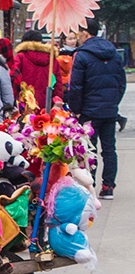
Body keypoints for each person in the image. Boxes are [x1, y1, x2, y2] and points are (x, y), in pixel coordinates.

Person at [66, 17, 127, 198]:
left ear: (85, 33)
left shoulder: (82, 55)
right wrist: (113, 101)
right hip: (109, 110)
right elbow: (121, 82)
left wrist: (75, 109)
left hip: (88, 112)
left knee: (87, 150)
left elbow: (76, 86)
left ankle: (88, 186)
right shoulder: (114, 54)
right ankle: (108, 187)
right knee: (109, 149)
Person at [11, 28, 59, 108]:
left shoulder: (20, 57)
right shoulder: (52, 59)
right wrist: (57, 101)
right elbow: (58, 85)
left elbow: (14, 79)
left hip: (24, 104)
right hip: (47, 104)